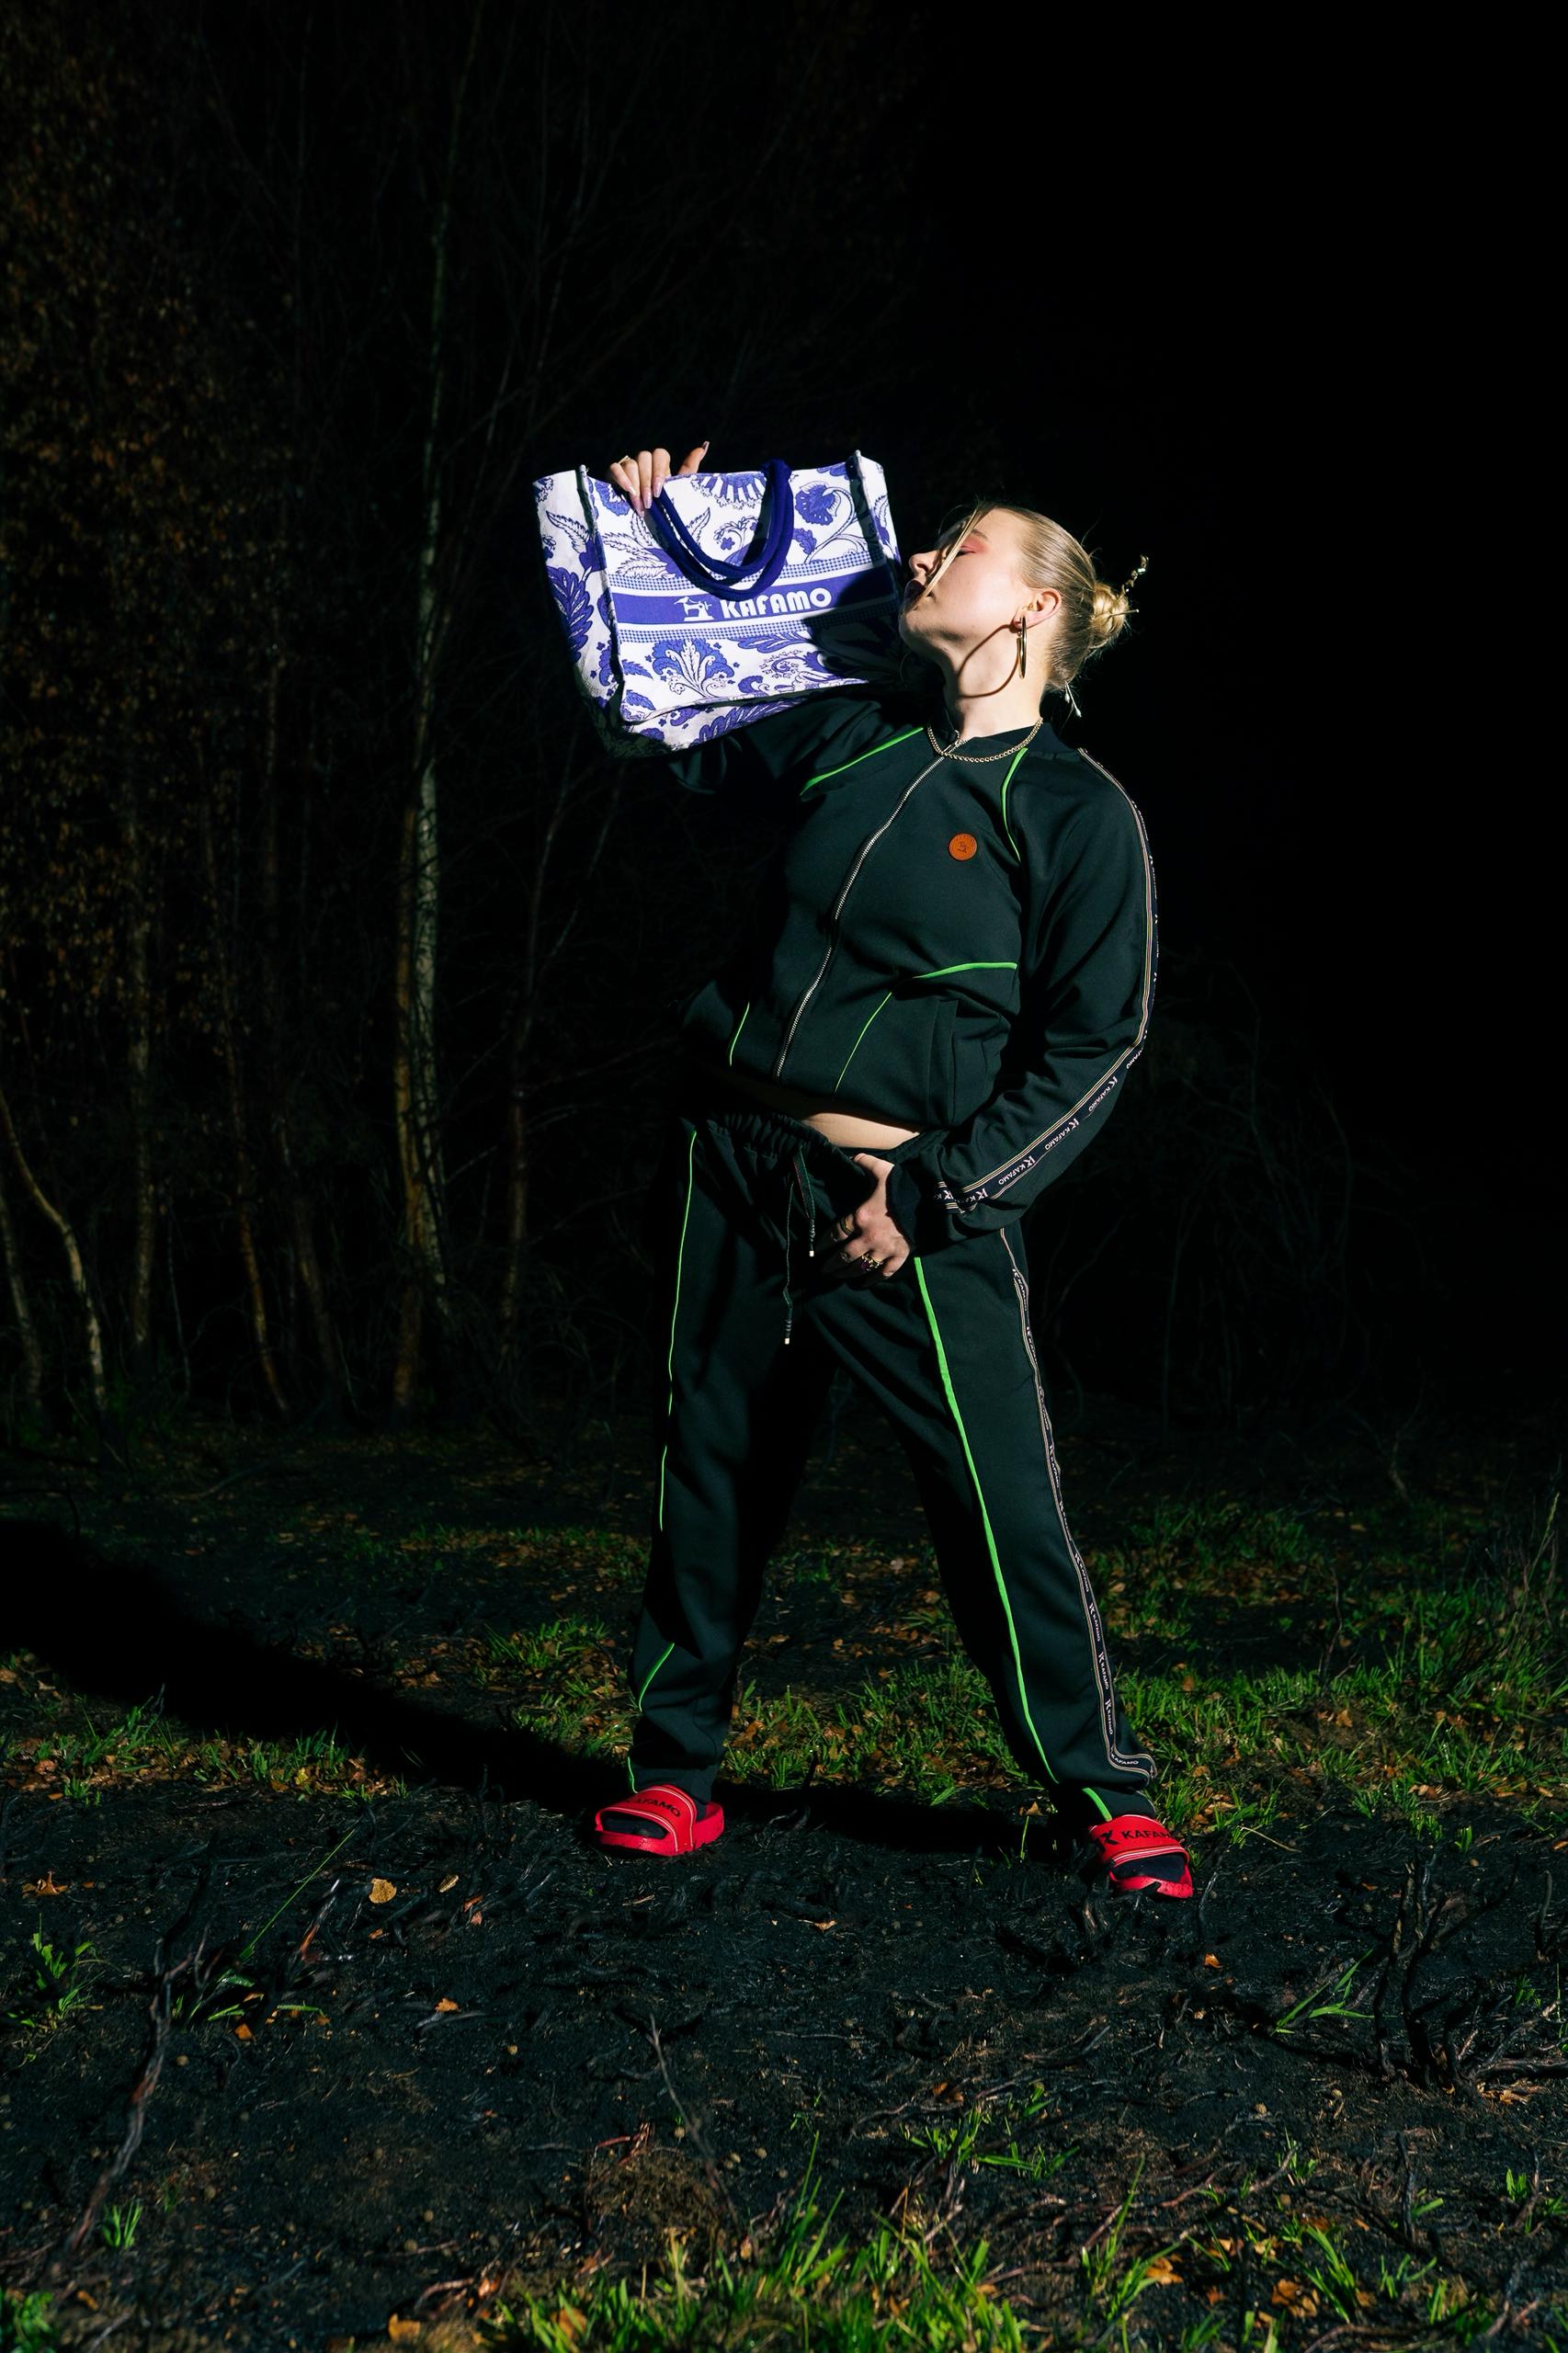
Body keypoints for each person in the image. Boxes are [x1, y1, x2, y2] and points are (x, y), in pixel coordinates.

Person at [583, 442, 1190, 1899]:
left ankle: (1100, 1791)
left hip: (906, 1202)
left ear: (1036, 607)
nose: (921, 556)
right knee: (711, 1472)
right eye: (927, 539)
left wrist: (932, 1196)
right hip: (733, 1164)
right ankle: (672, 1772)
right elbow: (653, 719)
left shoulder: (1076, 812)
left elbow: (1095, 1046)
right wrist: (649, 536)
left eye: (960, 545)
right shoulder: (845, 736)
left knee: (999, 1500)